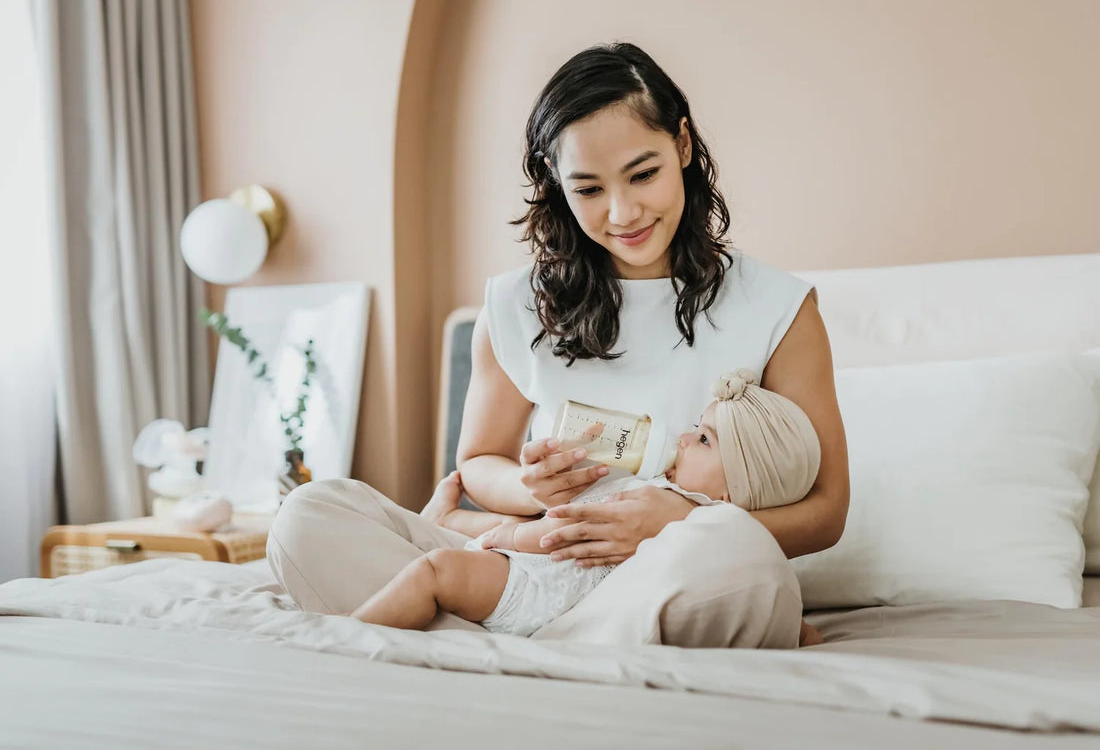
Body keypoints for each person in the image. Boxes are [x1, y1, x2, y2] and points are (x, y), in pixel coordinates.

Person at [266, 42, 848, 648]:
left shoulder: (779, 308)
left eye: (643, 173)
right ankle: (550, 646)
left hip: (673, 580)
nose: (623, 213)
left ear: (682, 145)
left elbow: (827, 511)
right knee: (308, 516)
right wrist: (531, 490)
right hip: (538, 570)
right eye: (589, 189)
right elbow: (480, 464)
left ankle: (475, 645)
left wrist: (683, 520)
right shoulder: (516, 305)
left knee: (734, 555)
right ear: (554, 178)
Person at [351, 370, 824, 647]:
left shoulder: (666, 504)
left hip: (538, 589)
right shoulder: (711, 529)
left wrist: (509, 539)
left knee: (437, 571)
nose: (683, 439)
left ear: (730, 491)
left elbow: (563, 531)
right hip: (547, 570)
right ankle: (447, 521)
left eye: (703, 440)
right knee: (509, 524)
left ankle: (340, 642)